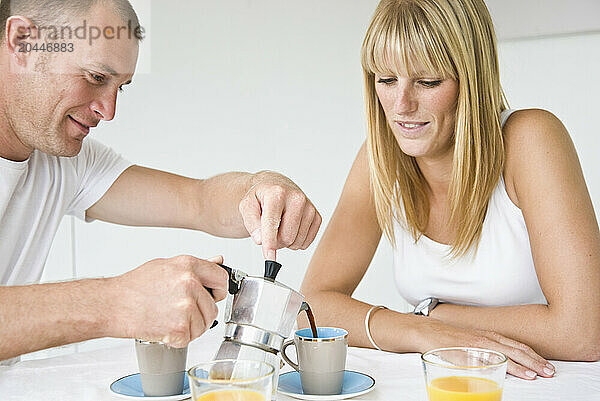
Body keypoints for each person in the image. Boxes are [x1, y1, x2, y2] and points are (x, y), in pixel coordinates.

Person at [0, 0, 321, 361]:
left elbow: (198, 201)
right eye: (95, 77)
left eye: (120, 88)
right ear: (22, 41)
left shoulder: (62, 162)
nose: (108, 111)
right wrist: (118, 302)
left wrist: (261, 188)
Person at [299, 0, 600, 380]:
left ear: (471, 79)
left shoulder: (530, 139)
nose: (402, 105)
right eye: (387, 80)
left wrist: (435, 314)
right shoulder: (381, 158)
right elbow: (313, 307)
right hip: (441, 383)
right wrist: (420, 330)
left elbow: (584, 331)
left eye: (428, 81)